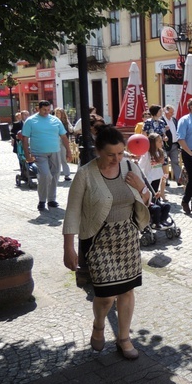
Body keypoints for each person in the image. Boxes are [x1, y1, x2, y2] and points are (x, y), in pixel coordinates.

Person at [63, 125, 151, 360]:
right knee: (104, 295)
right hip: (98, 240)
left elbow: (145, 200)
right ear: (98, 150)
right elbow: (72, 212)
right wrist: (68, 247)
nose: (117, 159)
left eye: (121, 153)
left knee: (127, 290)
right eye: (111, 154)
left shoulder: (129, 167)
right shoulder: (85, 174)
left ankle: (124, 338)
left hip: (127, 237)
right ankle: (99, 324)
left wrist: (141, 187)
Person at [22, 101, 72, 211]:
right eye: (44, 109)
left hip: (55, 151)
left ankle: (51, 199)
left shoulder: (55, 120)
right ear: (38, 109)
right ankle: (42, 200)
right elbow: (25, 139)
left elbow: (63, 136)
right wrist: (27, 155)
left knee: (55, 175)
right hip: (39, 152)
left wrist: (69, 151)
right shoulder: (31, 121)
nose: (46, 112)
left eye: (48, 109)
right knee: (45, 175)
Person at [138, 133, 168, 198]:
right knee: (150, 194)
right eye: (159, 141)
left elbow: (162, 165)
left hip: (158, 176)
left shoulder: (161, 152)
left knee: (156, 193)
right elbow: (141, 165)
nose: (161, 142)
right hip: (149, 178)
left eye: (161, 141)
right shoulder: (147, 153)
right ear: (153, 142)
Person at [161, 105, 182, 185]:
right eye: (170, 112)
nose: (172, 114)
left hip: (174, 145)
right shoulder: (161, 121)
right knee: (164, 164)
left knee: (175, 162)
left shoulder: (174, 120)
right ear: (165, 111)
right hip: (165, 146)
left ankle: (179, 180)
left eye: (173, 112)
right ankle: (165, 181)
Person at [55, 108, 73, 181]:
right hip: (55, 141)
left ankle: (66, 174)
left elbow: (71, 129)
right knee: (55, 159)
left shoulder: (65, 122)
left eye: (59, 113)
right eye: (57, 113)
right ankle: (56, 175)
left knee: (63, 159)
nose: (57, 115)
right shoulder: (53, 120)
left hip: (63, 141)